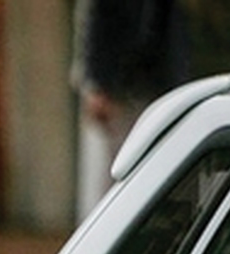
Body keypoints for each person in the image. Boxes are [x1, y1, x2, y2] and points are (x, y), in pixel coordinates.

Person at [73, 0, 189, 210]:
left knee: (146, 166)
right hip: (120, 87)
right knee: (114, 171)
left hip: (152, 85)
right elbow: (95, 25)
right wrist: (97, 85)